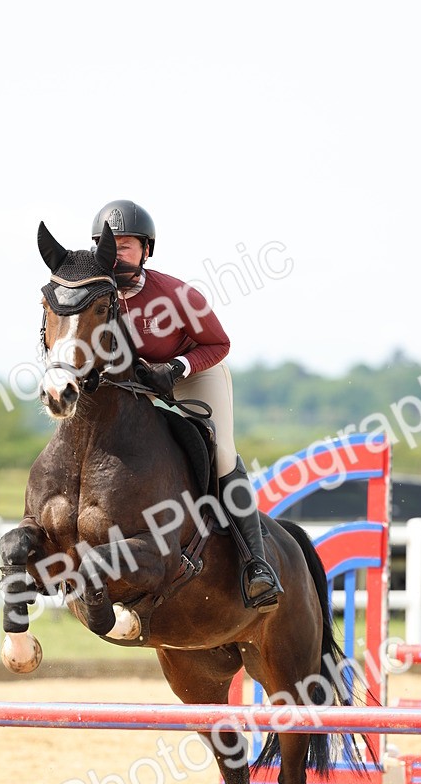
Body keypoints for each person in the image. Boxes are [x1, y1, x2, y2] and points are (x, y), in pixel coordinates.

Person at [91, 199, 282, 610]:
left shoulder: (176, 294)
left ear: (146, 250)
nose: (118, 252)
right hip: (137, 389)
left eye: (128, 245)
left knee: (221, 452)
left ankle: (256, 563)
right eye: (111, 245)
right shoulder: (94, 296)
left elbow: (219, 343)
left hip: (193, 374)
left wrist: (176, 367)